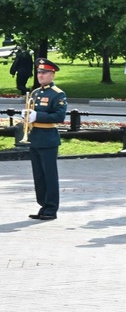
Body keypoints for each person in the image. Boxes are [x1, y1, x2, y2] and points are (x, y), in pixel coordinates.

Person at [23, 58, 67, 221]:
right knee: (38, 175)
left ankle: (51, 208)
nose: (40, 75)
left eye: (44, 72)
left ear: (52, 74)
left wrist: (37, 115)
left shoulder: (57, 94)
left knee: (49, 175)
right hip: (35, 138)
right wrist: (27, 116)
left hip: (48, 139)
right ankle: (43, 204)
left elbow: (59, 116)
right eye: (39, 72)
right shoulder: (35, 93)